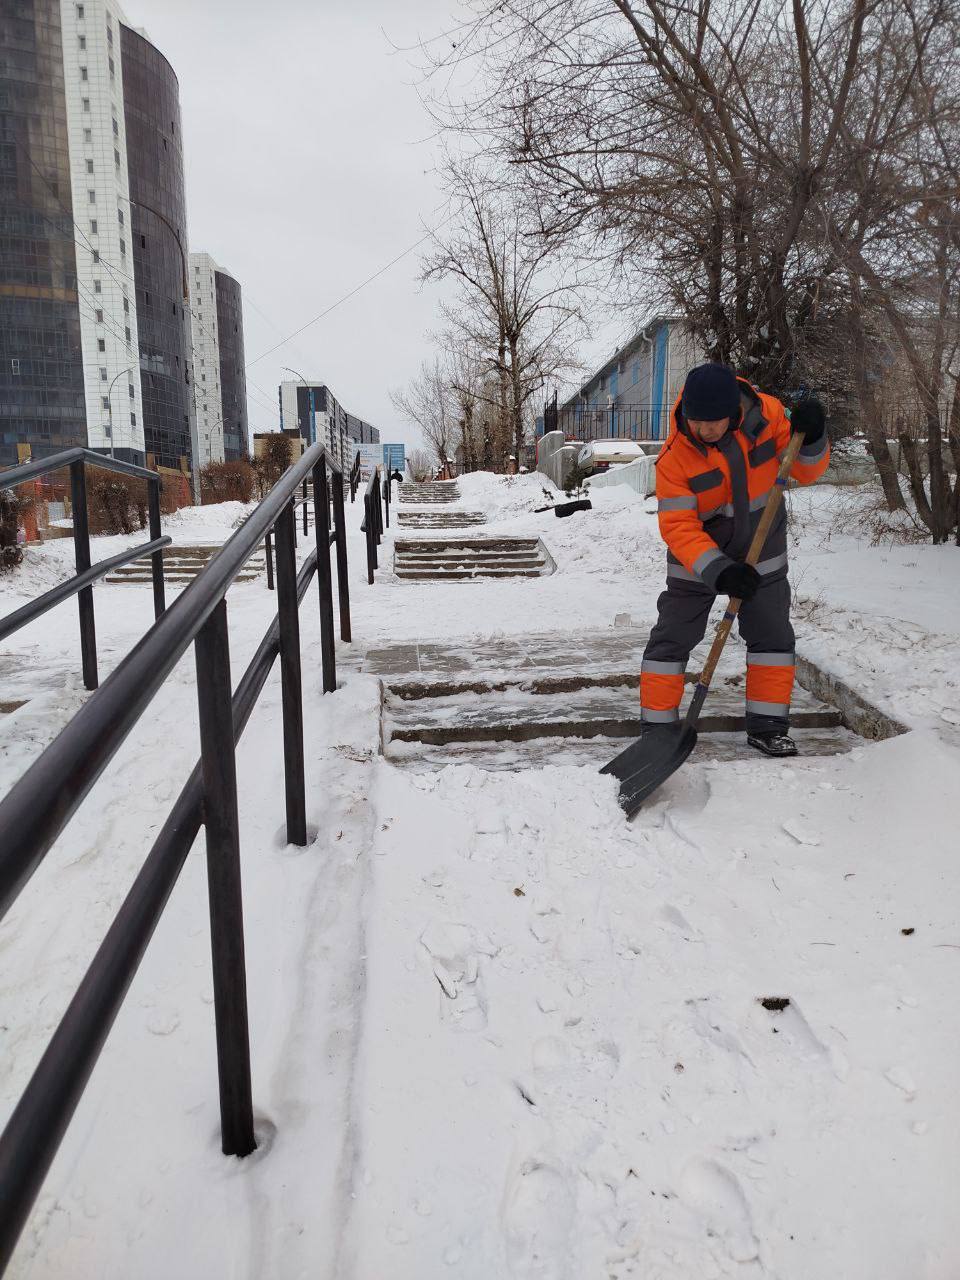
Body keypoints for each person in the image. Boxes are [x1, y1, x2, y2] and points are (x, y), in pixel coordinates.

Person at [640, 363, 830, 757]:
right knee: (672, 636)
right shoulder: (675, 457)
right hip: (699, 556)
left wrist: (812, 437)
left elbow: (807, 471)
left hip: (763, 546)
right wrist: (719, 570)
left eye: (714, 421)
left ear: (734, 411)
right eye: (697, 421)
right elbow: (678, 526)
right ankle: (657, 730)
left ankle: (768, 726)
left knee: (772, 635)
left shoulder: (770, 417)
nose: (705, 430)